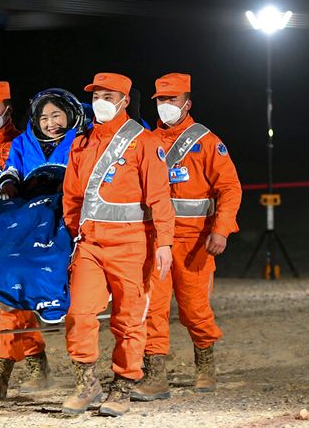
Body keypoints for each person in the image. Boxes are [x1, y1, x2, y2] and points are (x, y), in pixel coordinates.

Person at [61, 72, 175, 417]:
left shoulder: (143, 140)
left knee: (129, 320)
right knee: (79, 314)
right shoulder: (81, 142)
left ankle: (122, 386)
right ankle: (86, 383)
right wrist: (77, 232)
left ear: (125, 101)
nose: (100, 103)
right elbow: (71, 197)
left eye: (108, 97)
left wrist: (164, 243)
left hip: (132, 244)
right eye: (96, 96)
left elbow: (159, 195)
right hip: (90, 245)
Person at [132, 73, 242, 401]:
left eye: (172, 100)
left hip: (196, 243)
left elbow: (230, 188)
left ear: (187, 103)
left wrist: (221, 230)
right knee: (152, 308)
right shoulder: (147, 141)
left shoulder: (208, 142)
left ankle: (205, 364)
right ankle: (155, 376)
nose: (165, 106)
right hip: (156, 241)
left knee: (194, 308)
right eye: (161, 101)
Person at [0, 81, 52, 399]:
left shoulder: (27, 145)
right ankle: (37, 362)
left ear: (7, 109)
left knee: (9, 302)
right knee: (12, 301)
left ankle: (0, 374)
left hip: (22, 234)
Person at [0, 88, 89, 199]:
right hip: (30, 203)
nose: (50, 123)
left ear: (70, 113)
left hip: (69, 201)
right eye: (44, 118)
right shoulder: (22, 142)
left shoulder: (83, 139)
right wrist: (8, 184)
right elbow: (13, 169)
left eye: (56, 116)